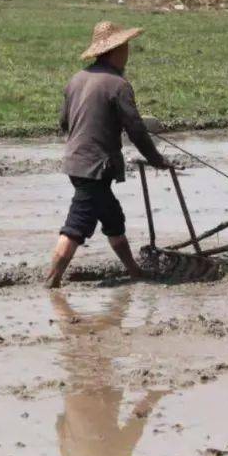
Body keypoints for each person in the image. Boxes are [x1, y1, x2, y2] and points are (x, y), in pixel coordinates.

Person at [46, 21, 173, 288]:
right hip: (95, 167)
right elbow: (136, 129)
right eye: (125, 47)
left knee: (113, 219)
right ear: (116, 51)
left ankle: (134, 271)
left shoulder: (77, 79)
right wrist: (156, 160)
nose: (128, 52)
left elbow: (63, 123)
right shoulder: (118, 85)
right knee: (76, 225)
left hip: (75, 162)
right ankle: (52, 280)